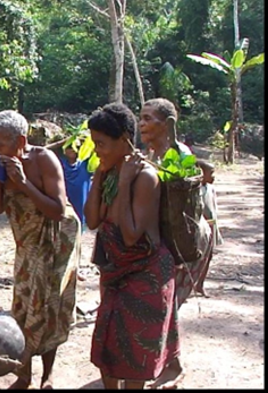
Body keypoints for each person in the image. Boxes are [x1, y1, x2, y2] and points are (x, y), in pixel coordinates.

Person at [83, 103, 180, 389]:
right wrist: (99, 177)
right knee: (108, 347)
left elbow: (130, 236)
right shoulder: (109, 173)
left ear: (125, 139)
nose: (97, 150)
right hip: (115, 274)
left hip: (145, 278)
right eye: (94, 143)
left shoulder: (145, 177)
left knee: (134, 357)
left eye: (101, 144)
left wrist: (125, 184)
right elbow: (91, 220)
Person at [0, 110, 81, 389]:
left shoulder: (43, 160)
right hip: (26, 244)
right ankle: (23, 375)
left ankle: (47, 375)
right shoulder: (2, 166)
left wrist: (23, 183)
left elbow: (57, 210)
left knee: (52, 306)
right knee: (24, 305)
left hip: (57, 241)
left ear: (21, 141)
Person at [138, 97, 221, 389]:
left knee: (168, 304)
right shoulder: (151, 155)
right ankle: (165, 362)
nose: (142, 124)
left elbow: (183, 213)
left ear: (169, 124)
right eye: (141, 118)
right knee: (163, 304)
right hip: (167, 244)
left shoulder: (179, 158)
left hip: (186, 245)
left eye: (149, 118)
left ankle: (173, 366)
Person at [60, 145, 93, 231]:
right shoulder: (60, 164)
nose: (73, 150)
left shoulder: (85, 164)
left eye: (76, 147)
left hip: (81, 208)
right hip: (65, 206)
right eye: (69, 147)